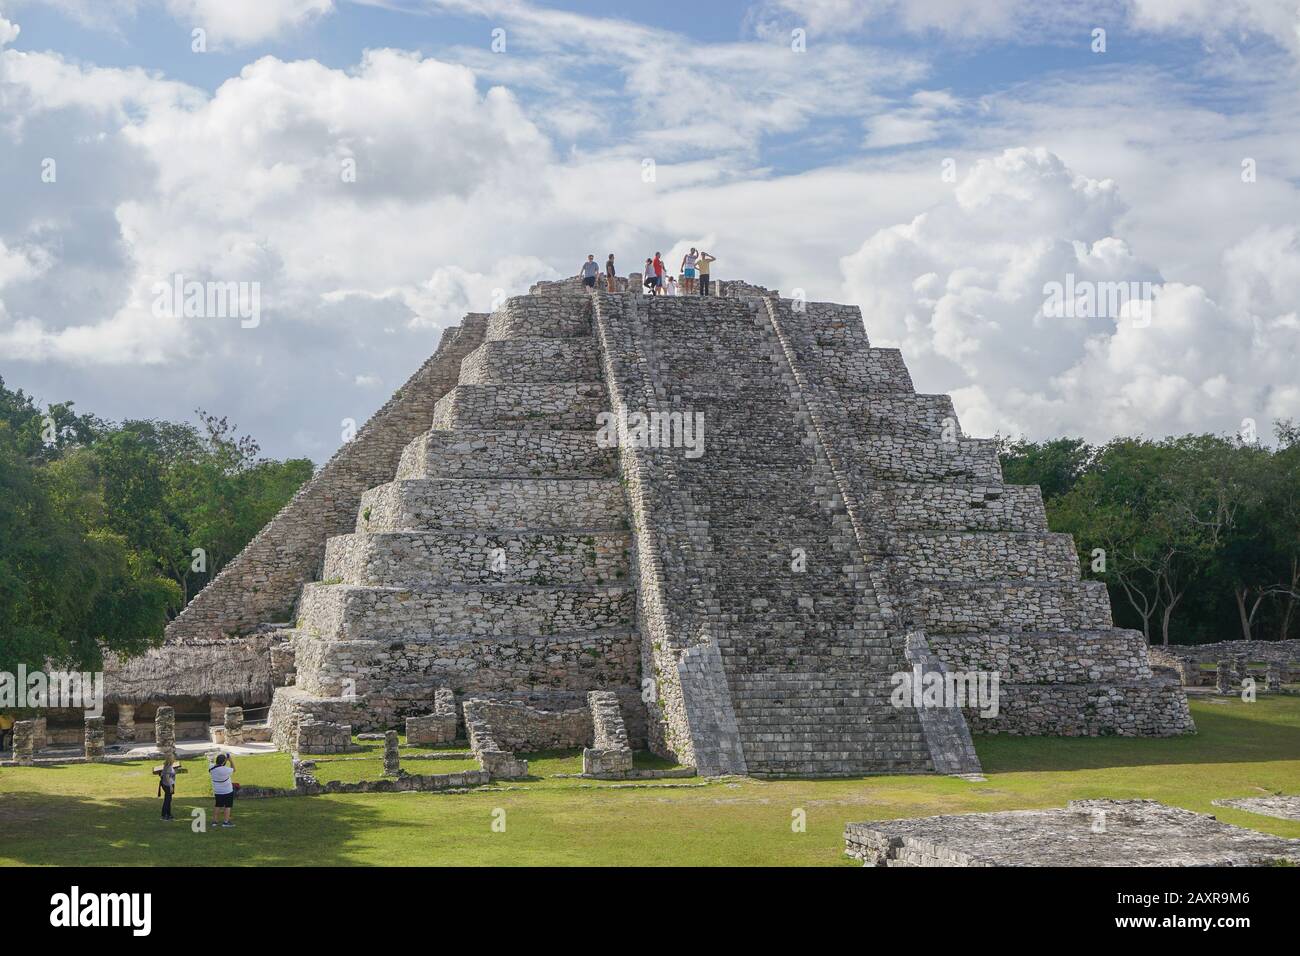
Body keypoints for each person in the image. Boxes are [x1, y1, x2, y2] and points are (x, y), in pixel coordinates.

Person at [210, 753, 236, 828]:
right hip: (227, 790)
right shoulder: (226, 770)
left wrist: (224, 761)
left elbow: (213, 764)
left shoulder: (212, 767)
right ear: (224, 762)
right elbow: (234, 769)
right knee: (228, 806)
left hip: (217, 791)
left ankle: (214, 822)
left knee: (217, 805)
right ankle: (226, 822)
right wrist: (230, 761)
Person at [157, 757, 176, 821]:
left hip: (168, 784)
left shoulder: (168, 766)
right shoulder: (168, 767)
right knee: (167, 800)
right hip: (168, 785)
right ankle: (164, 815)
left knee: (168, 800)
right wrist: (170, 786)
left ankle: (168, 814)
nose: (174, 760)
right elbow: (167, 777)